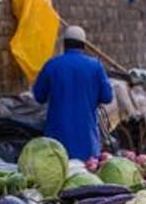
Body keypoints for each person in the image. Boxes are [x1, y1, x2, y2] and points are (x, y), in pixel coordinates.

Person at [32, 25, 114, 162]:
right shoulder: (95, 66)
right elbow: (107, 97)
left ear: (64, 44)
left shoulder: (51, 65)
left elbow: (39, 96)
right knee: (88, 178)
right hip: (87, 142)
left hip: (56, 142)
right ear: (84, 45)